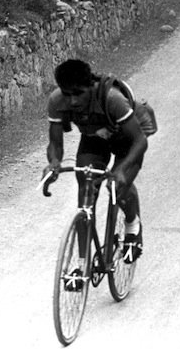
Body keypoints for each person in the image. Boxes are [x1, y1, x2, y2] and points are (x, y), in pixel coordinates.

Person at [42, 58, 148, 263]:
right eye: (67, 94)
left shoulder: (112, 99)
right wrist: (54, 162)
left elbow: (140, 141)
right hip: (94, 139)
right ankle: (82, 262)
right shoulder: (56, 100)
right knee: (85, 188)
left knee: (118, 187)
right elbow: (55, 143)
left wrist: (121, 170)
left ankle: (133, 224)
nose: (72, 101)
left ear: (90, 86)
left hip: (128, 139)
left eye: (78, 94)